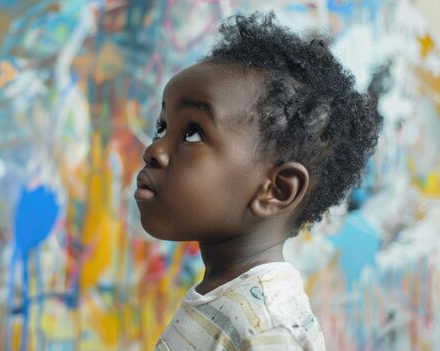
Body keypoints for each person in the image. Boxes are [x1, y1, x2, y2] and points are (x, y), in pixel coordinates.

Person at [134, 11, 381, 351]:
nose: (154, 150)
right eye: (162, 127)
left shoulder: (266, 326)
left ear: (276, 190)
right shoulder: (226, 298)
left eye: (192, 133)